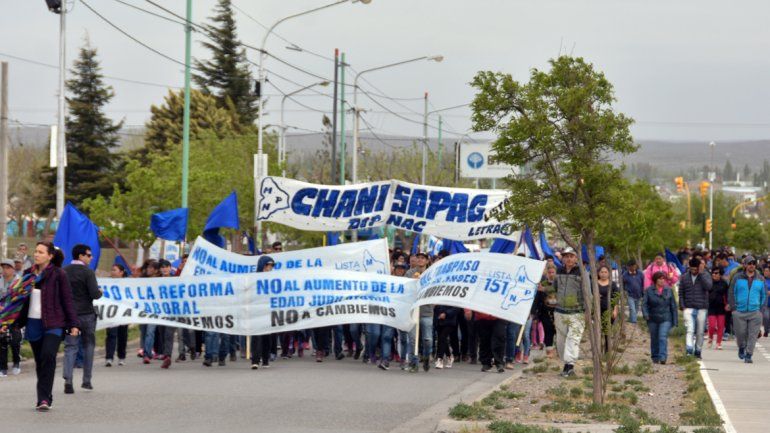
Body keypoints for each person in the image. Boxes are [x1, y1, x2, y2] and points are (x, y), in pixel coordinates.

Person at [0, 242, 80, 411]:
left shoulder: (59, 274)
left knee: (48, 356)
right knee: (40, 362)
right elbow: (18, 300)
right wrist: (10, 322)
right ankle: (43, 396)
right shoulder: (28, 274)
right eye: (35, 251)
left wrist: (73, 323)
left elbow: (67, 300)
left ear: (50, 256)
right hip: (33, 323)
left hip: (54, 323)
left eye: (41, 252)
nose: (36, 254)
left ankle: (44, 399)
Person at [62, 244, 102, 394]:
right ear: (80, 256)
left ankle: (68, 380)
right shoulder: (88, 272)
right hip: (87, 315)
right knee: (88, 346)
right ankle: (87, 380)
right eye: (89, 255)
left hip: (70, 316)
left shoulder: (64, 271)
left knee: (70, 347)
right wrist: (100, 292)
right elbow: (94, 294)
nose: (91, 257)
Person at [728, 255, 766, 363]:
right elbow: (731, 292)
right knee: (740, 334)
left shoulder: (760, 278)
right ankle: (741, 347)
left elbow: (764, 295)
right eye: (749, 263)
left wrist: (761, 309)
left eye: (753, 263)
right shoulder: (737, 277)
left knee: (753, 335)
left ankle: (749, 354)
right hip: (739, 311)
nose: (752, 265)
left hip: (755, 311)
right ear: (745, 265)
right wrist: (734, 308)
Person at [553, 247, 584, 377]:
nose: (569, 259)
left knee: (573, 339)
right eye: (566, 256)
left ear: (576, 258)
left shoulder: (582, 272)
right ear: (563, 258)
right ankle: (566, 363)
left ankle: (569, 366)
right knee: (560, 341)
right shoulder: (559, 271)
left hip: (577, 312)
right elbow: (554, 287)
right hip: (560, 311)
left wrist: (589, 311)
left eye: (572, 256)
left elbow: (588, 292)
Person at [678, 257, 712, 359]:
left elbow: (709, 287)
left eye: (695, 269)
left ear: (699, 268)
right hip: (688, 307)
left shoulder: (705, 275)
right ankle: (689, 350)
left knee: (700, 332)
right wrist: (682, 305)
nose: (693, 271)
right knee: (690, 329)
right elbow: (681, 292)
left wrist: (701, 275)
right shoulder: (684, 277)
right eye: (691, 269)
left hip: (702, 307)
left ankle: (698, 350)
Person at [642, 271, 678, 364]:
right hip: (652, 318)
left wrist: (675, 321)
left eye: (664, 279)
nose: (662, 281)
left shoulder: (668, 290)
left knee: (662, 336)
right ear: (655, 280)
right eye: (660, 279)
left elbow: (673, 306)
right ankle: (655, 356)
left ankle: (663, 357)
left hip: (666, 318)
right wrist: (646, 315)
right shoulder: (649, 290)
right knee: (654, 338)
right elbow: (644, 304)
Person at [250, 256, 275, 369]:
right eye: (268, 265)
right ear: (263, 265)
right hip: (256, 310)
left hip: (268, 310)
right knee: (256, 336)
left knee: (266, 336)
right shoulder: (253, 278)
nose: (270, 268)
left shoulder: (273, 279)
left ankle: (265, 359)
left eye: (271, 266)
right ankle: (255, 360)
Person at [1, 258, 22, 376]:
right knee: (2, 341)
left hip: (15, 316)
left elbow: (21, 300)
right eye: (3, 268)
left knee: (15, 341)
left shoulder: (19, 282)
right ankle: (3, 367)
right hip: (2, 316)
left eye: (8, 268)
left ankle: (16, 362)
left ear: (13, 269)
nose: (5, 270)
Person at [105, 264, 129, 367]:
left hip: (123, 313)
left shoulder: (128, 284)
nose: (112, 272)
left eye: (115, 270)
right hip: (111, 313)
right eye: (111, 270)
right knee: (111, 335)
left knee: (122, 335)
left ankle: (121, 357)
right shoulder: (107, 283)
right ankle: (109, 357)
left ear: (121, 272)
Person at [534, 263, 557, 359]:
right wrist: (535, 314)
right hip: (545, 312)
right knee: (548, 331)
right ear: (546, 273)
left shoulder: (559, 284)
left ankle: (558, 350)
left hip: (558, 311)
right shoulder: (542, 284)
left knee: (558, 331)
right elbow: (537, 299)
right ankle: (549, 352)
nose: (551, 274)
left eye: (553, 272)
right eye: (549, 272)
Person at [597, 265, 619, 353]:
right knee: (598, 331)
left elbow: (616, 297)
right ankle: (598, 350)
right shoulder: (594, 283)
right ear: (598, 273)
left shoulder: (612, 284)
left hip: (609, 310)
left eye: (605, 272)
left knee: (607, 331)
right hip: (597, 311)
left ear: (609, 273)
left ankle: (607, 350)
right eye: (602, 272)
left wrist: (615, 310)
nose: (603, 274)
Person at [707, 267, 728, 350]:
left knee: (721, 326)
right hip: (711, 306)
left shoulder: (724, 283)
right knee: (712, 326)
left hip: (721, 307)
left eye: (716, 273)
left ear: (720, 274)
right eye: (713, 273)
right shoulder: (708, 283)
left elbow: (727, 295)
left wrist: (728, 304)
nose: (714, 274)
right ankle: (710, 337)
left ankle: (718, 343)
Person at [622, 260, 644, 324]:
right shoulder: (625, 275)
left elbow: (643, 283)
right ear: (628, 267)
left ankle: (630, 319)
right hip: (630, 295)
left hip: (638, 294)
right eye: (631, 266)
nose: (633, 268)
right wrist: (624, 291)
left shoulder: (640, 273)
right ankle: (634, 322)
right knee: (632, 309)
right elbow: (622, 284)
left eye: (634, 266)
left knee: (636, 309)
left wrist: (643, 292)